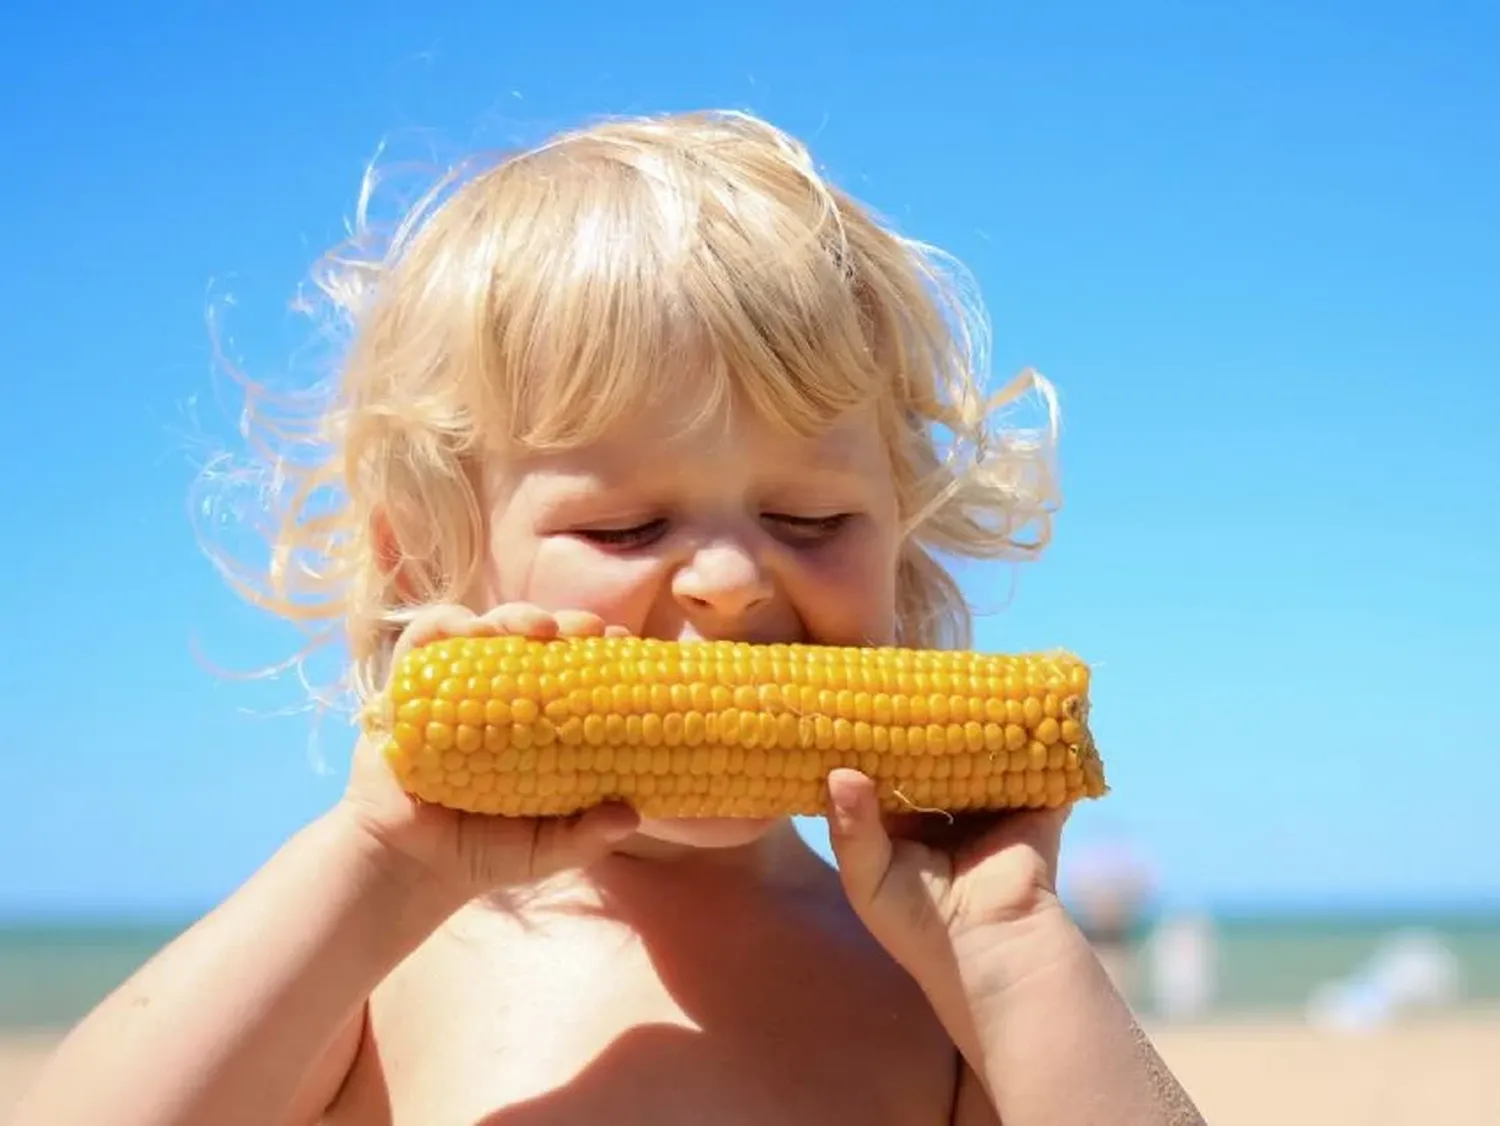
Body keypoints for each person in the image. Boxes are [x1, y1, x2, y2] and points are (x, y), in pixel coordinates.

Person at [14, 110, 1205, 1125]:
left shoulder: (943, 982)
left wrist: (1012, 947)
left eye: (807, 518)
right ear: (429, 563)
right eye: (629, 529)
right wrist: (374, 871)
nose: (730, 578)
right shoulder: (385, 962)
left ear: (905, 542)